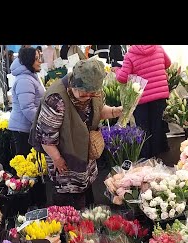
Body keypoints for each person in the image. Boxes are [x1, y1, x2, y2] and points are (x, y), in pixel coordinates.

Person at [31, 57, 123, 210]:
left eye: (91, 94)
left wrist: (115, 111)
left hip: (84, 156)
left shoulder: (94, 92)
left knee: (85, 195)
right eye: (83, 93)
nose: (87, 97)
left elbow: (97, 111)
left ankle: (87, 222)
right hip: (65, 159)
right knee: (69, 201)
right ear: (73, 83)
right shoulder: (56, 98)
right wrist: (57, 159)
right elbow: (46, 138)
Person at [116, 45, 171, 159]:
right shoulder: (158, 48)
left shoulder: (130, 55)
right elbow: (168, 63)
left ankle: (146, 158)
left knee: (143, 128)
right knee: (157, 126)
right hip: (160, 95)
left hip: (142, 98)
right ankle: (159, 157)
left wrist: (117, 70)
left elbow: (122, 77)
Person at [9, 47, 45, 156]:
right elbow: (28, 108)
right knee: (25, 163)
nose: (40, 61)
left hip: (27, 127)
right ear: (29, 61)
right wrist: (43, 124)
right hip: (23, 129)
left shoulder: (30, 76)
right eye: (36, 59)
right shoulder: (24, 80)